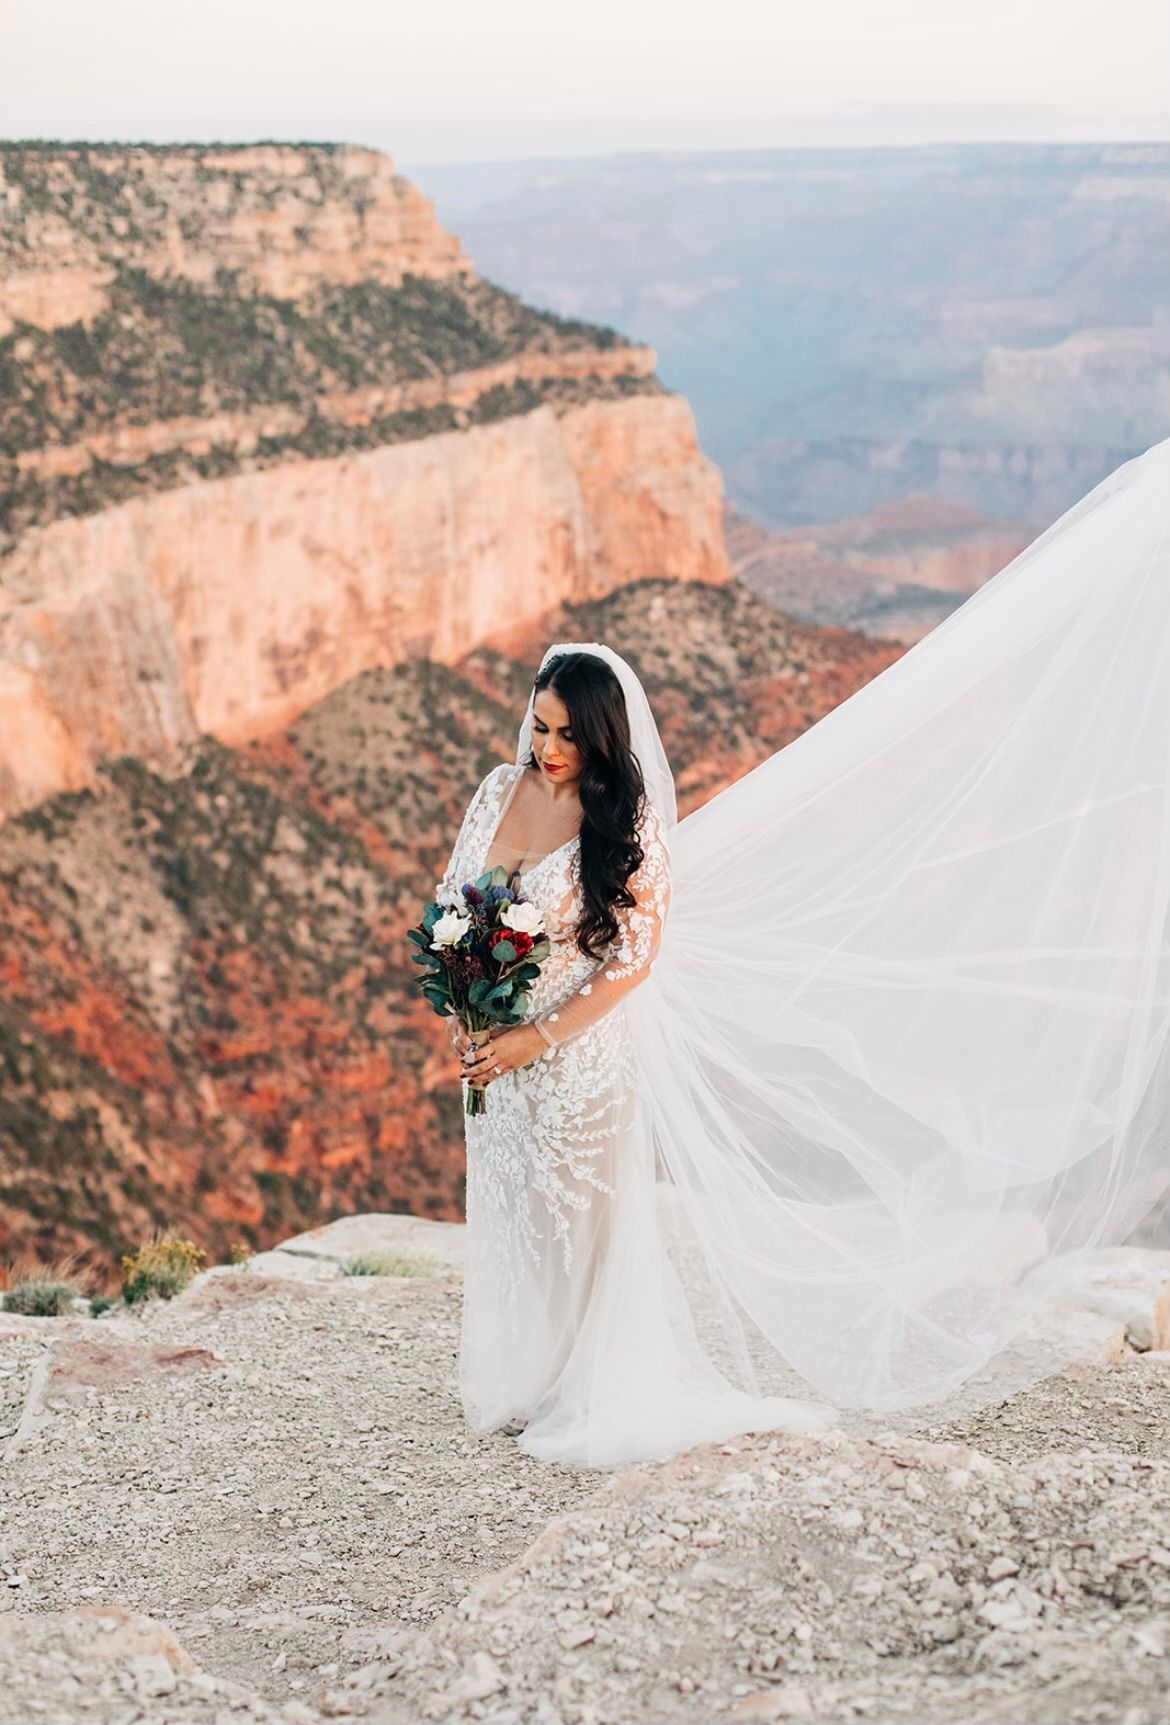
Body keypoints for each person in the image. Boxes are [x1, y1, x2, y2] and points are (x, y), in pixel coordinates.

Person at [435, 438, 1170, 1470]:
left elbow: (633, 962)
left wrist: (536, 1037)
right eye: (538, 725)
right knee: (517, 1216)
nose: (546, 747)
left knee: (587, 1230)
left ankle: (588, 1390)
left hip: (582, 1054)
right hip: (499, 1047)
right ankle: (527, 1377)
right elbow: (459, 902)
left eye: (565, 735)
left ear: (602, 743)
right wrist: (469, 1004)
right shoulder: (494, 791)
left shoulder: (624, 830)